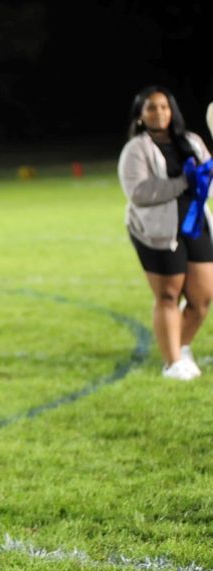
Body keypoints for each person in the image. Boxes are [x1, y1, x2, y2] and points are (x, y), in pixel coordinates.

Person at [117, 85, 213, 380]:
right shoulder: (136, 149)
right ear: (140, 116)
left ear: (172, 111)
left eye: (164, 107)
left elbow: (207, 178)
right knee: (168, 296)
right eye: (151, 108)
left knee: (202, 299)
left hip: (195, 224)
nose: (159, 112)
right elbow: (140, 192)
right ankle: (172, 363)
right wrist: (183, 182)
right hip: (155, 231)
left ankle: (181, 347)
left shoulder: (192, 141)